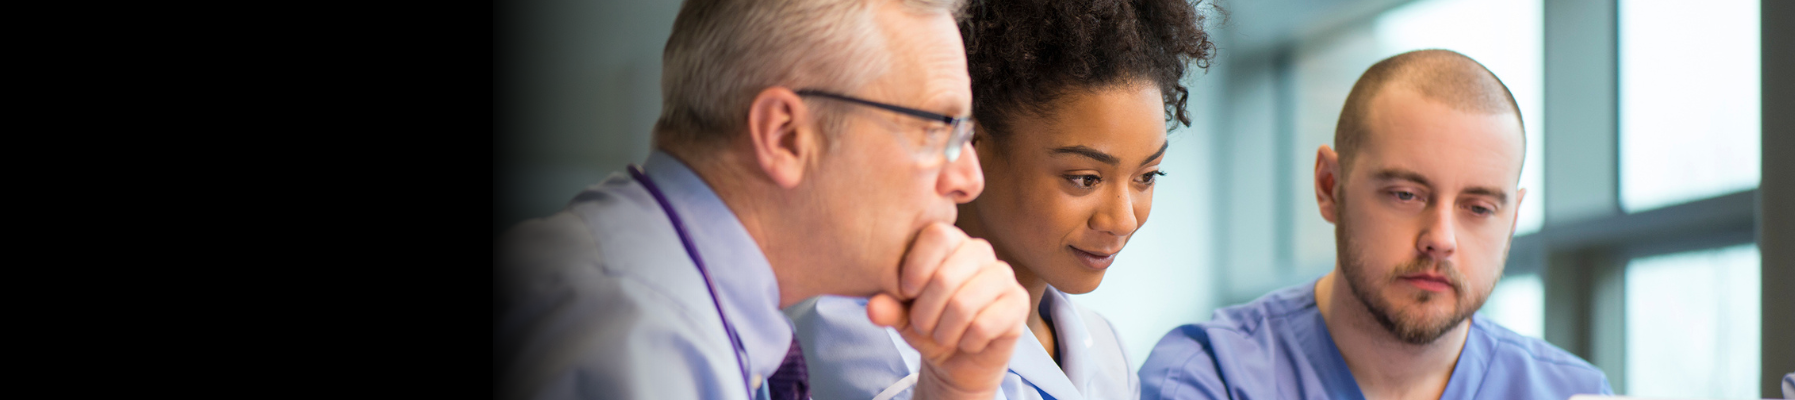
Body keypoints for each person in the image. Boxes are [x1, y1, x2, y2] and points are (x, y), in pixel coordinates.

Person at [493, 0, 1034, 399]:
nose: (968, 179)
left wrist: (955, 388)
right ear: (785, 137)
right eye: (937, 129)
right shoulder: (634, 341)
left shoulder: (661, 290)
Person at [788, 0, 1216, 399]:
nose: (1122, 220)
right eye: (1084, 178)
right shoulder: (860, 332)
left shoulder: (1105, 349)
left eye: (1146, 176)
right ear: (971, 145)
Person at [1138, 49, 1614, 400]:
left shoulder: (1571, 392)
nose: (1441, 240)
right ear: (1329, 186)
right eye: (1406, 195)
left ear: (1512, 220)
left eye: (1478, 208)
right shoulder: (1209, 377)